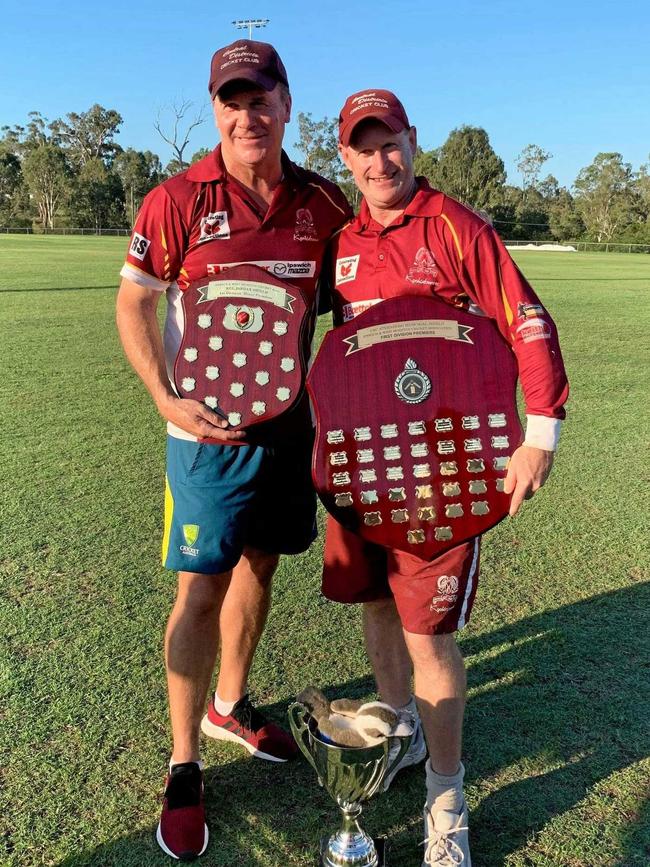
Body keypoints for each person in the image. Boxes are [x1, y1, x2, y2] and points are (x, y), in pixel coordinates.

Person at [321, 89, 569, 866]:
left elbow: (527, 319)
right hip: (363, 473)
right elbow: (330, 358)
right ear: (346, 158)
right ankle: (397, 730)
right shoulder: (344, 242)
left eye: (388, 142)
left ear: (412, 142)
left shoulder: (456, 227)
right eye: (363, 147)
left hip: (444, 472)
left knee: (430, 634)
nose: (378, 160)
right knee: (373, 603)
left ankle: (447, 791)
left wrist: (541, 434)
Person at [116, 40, 351, 860]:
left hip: (292, 435)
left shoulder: (323, 204)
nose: (246, 115)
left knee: (262, 564)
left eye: (261, 98)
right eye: (231, 100)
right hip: (206, 438)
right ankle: (185, 765)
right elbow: (132, 304)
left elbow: (354, 303)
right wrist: (163, 396)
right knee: (200, 587)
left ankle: (230, 704)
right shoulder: (176, 199)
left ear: (288, 105)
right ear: (215, 108)